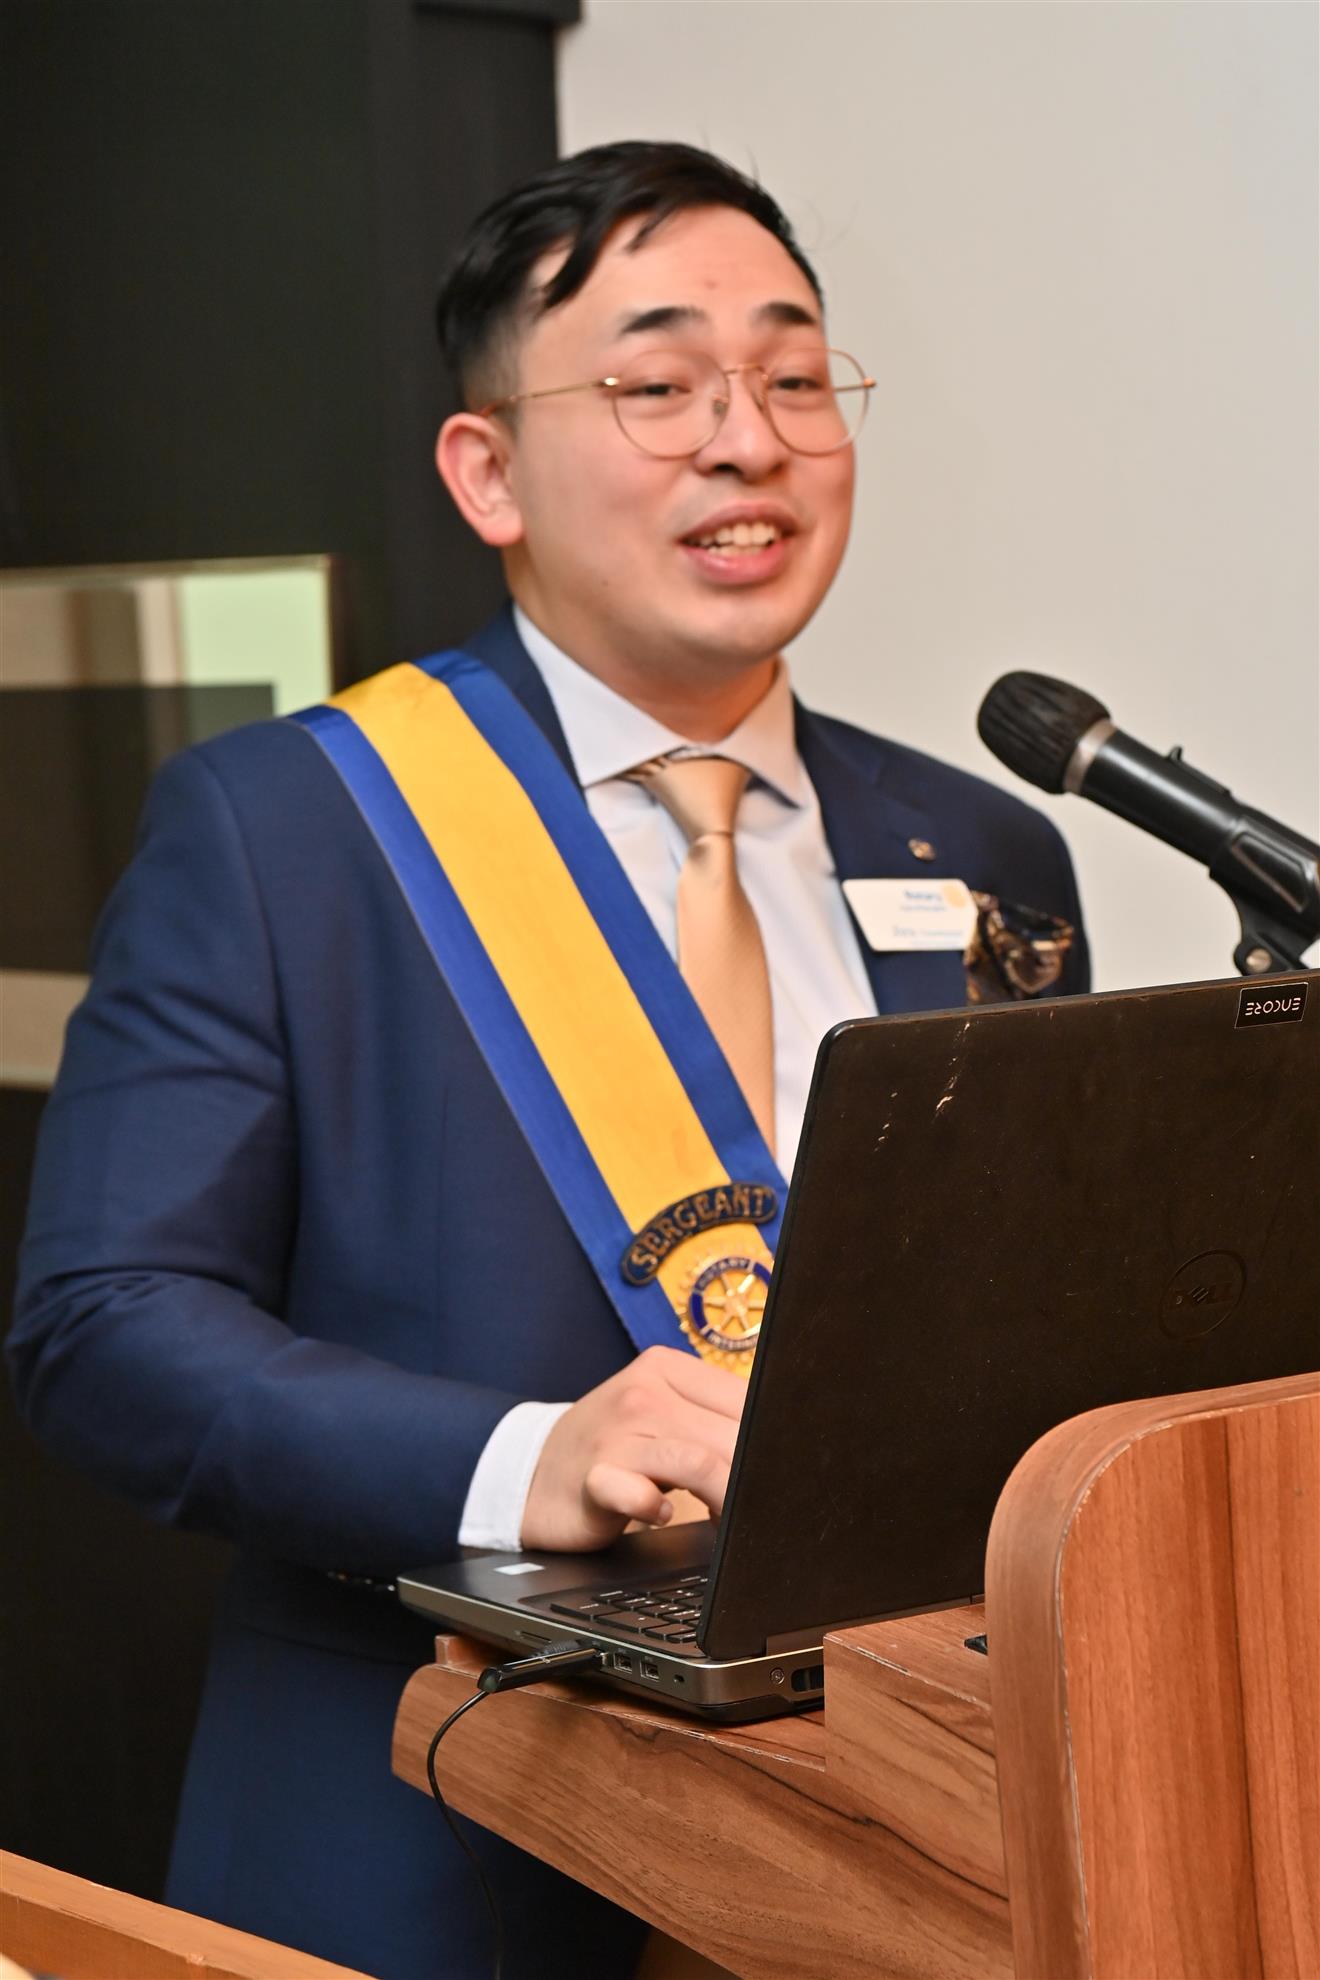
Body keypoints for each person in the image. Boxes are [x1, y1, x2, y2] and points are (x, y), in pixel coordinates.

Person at [9, 142, 1088, 1980]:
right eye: (659, 385)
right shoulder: (286, 832)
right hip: (433, 1819)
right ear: (488, 471)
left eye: (795, 375)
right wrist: (529, 1458)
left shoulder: (982, 849)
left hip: (909, 1840)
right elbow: (103, 1329)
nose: (747, 442)